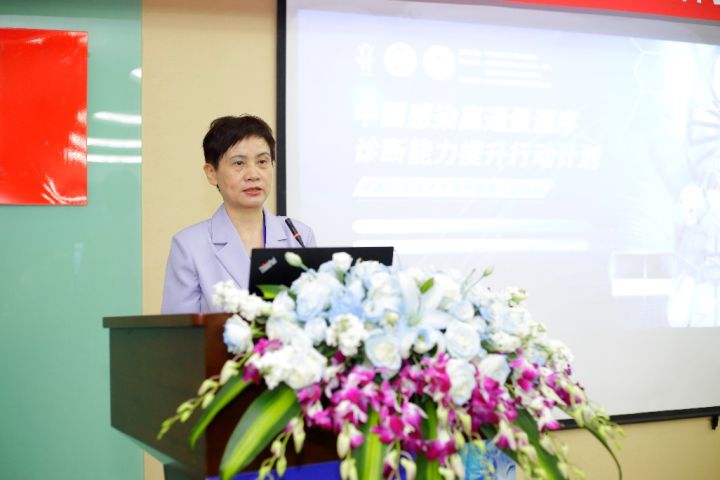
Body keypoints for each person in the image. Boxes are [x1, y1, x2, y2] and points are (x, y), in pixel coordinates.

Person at [161, 115, 315, 313]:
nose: (253, 174)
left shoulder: (299, 236)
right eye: (239, 163)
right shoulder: (189, 246)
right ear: (211, 173)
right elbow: (178, 329)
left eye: (262, 161)